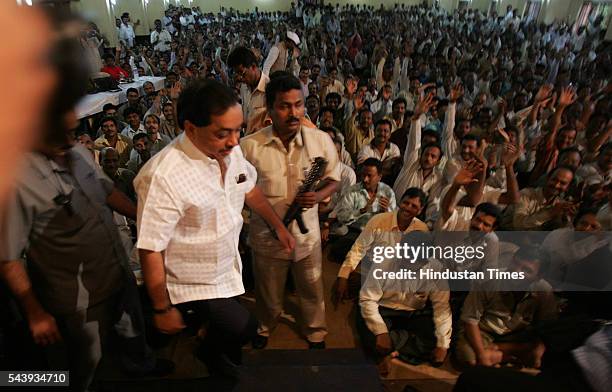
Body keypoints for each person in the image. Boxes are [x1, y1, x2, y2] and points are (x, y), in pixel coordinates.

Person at [0, 24, 171, 390]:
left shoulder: (78, 153)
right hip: (76, 300)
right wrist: (35, 312)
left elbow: (108, 193)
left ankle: (141, 367)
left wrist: (147, 217)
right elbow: (10, 258)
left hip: (115, 271)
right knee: (85, 365)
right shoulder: (16, 180)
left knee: (132, 336)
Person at [135, 79, 294, 376]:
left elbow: (249, 190)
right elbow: (150, 248)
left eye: (238, 130)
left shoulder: (229, 151)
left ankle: (215, 356)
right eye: (223, 133)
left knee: (232, 345)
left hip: (225, 264)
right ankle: (200, 347)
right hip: (190, 278)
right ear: (191, 128)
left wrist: (278, 226)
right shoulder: (163, 176)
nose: (235, 141)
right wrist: (161, 308)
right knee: (244, 326)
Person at [240, 72, 340, 349]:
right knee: (268, 292)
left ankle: (315, 331)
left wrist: (317, 196)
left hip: (307, 240)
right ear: (270, 109)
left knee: (312, 288)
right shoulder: (250, 147)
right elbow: (239, 190)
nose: (293, 112)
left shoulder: (320, 141)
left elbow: (334, 179)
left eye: (298, 104)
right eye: (285, 106)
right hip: (266, 238)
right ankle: (265, 326)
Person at [456, 246, 558, 368]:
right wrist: (482, 355)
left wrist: (538, 351)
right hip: (484, 331)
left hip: (517, 334)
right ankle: (509, 355)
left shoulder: (544, 290)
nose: (516, 271)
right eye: (515, 263)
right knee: (469, 359)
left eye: (527, 270)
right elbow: (470, 320)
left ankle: (503, 351)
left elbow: (547, 325)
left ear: (538, 276)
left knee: (548, 354)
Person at [227, 46, 270, 134]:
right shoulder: (244, 87)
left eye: (242, 73)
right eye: (237, 74)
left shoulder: (269, 89)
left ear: (253, 66)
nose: (240, 78)